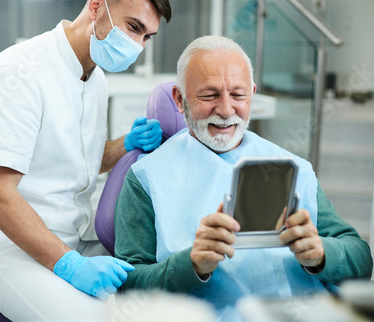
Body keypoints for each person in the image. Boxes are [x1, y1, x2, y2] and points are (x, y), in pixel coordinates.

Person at [114, 35, 373, 321]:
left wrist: (323, 254)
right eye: (210, 95)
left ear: (252, 93)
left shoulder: (292, 168)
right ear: (179, 99)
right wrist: (191, 265)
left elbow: (361, 258)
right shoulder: (146, 177)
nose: (226, 110)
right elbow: (128, 286)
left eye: (238, 95)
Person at [0, 0, 171, 320]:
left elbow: (79, 161)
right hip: (5, 249)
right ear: (97, 5)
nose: (138, 46)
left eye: (147, 36)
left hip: (71, 238)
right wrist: (68, 264)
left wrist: (127, 143)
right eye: (133, 27)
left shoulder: (95, 78)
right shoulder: (18, 74)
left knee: (158, 294)